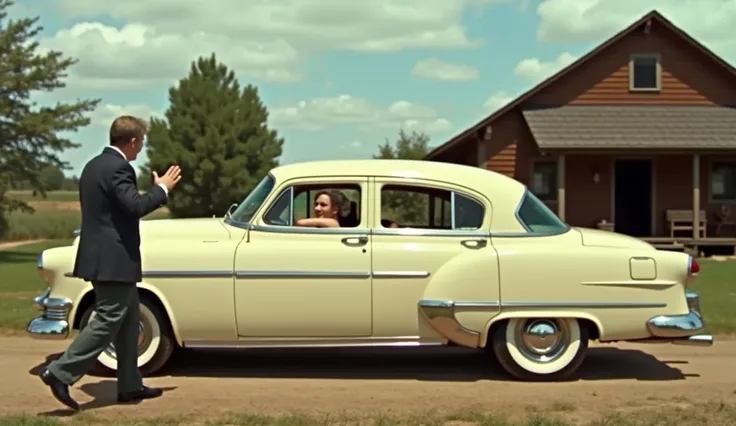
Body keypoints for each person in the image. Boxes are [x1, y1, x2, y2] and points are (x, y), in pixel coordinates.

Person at [38, 115, 182, 411]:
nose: (141, 149)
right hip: (114, 259)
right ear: (131, 141)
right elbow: (135, 207)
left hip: (102, 257)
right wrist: (163, 189)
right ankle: (60, 372)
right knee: (107, 318)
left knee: (129, 321)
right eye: (140, 142)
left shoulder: (93, 166)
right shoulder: (120, 168)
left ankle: (129, 385)